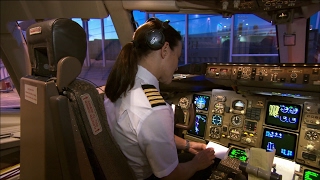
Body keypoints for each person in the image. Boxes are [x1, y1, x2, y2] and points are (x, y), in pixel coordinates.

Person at [104, 17, 216, 180]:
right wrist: (197, 164)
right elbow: (171, 176)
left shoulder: (119, 85)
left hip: (122, 171)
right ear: (164, 50)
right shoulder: (154, 109)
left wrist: (187, 144)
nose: (177, 66)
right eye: (177, 56)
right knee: (212, 168)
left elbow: (147, 136)